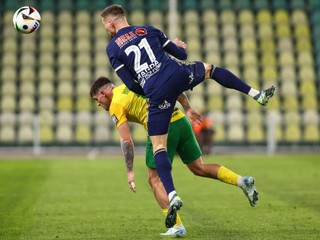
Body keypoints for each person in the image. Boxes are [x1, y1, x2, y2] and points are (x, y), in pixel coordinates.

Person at [100, 4, 274, 228]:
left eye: (105, 25)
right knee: (210, 69)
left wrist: (153, 90)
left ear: (111, 23)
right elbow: (182, 54)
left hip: (155, 94)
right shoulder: (149, 30)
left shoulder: (112, 49)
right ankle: (255, 93)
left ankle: (172, 194)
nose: (106, 29)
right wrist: (175, 47)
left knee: (159, 147)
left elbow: (131, 84)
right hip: (176, 75)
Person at [90, 76, 259, 236]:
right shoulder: (131, 84)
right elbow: (170, 86)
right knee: (198, 167)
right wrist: (187, 107)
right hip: (180, 120)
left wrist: (129, 171)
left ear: (104, 93)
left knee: (154, 179)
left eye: (97, 99)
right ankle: (241, 181)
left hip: (161, 129)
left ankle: (177, 225)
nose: (99, 104)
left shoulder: (115, 105)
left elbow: (126, 140)